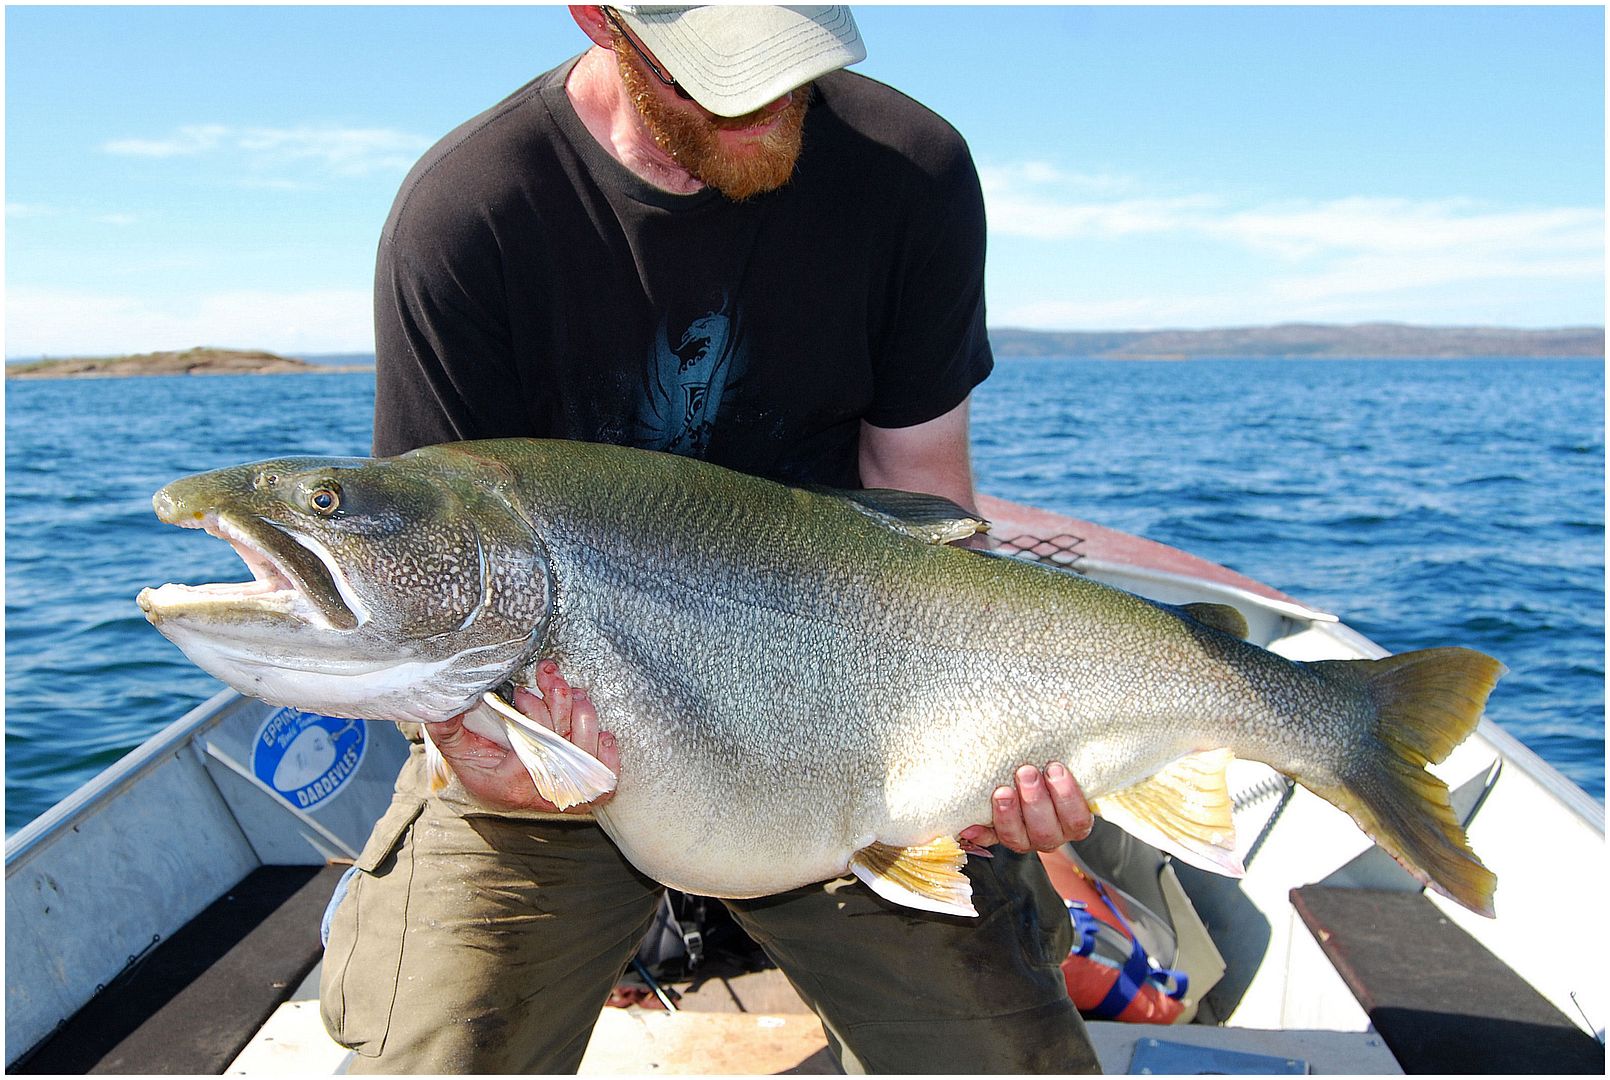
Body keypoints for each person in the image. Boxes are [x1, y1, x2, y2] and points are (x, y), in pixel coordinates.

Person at [320, 6, 1102, 1073]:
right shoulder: (469, 213)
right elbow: (436, 571)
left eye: (788, 64)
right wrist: (465, 742)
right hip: (546, 723)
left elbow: (921, 493)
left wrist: (971, 754)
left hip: (845, 708)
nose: (763, 102)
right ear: (599, 19)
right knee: (440, 1057)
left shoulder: (908, 171)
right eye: (716, 73)